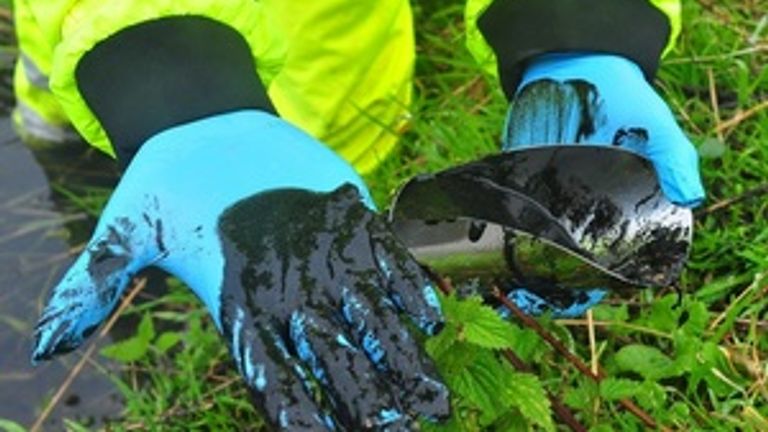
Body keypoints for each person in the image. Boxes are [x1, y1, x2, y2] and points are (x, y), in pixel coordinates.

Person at [14, 0, 704, 429]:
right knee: (80, 169)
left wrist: (571, 21)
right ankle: (66, 160)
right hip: (108, 49)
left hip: (337, 67)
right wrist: (167, 84)